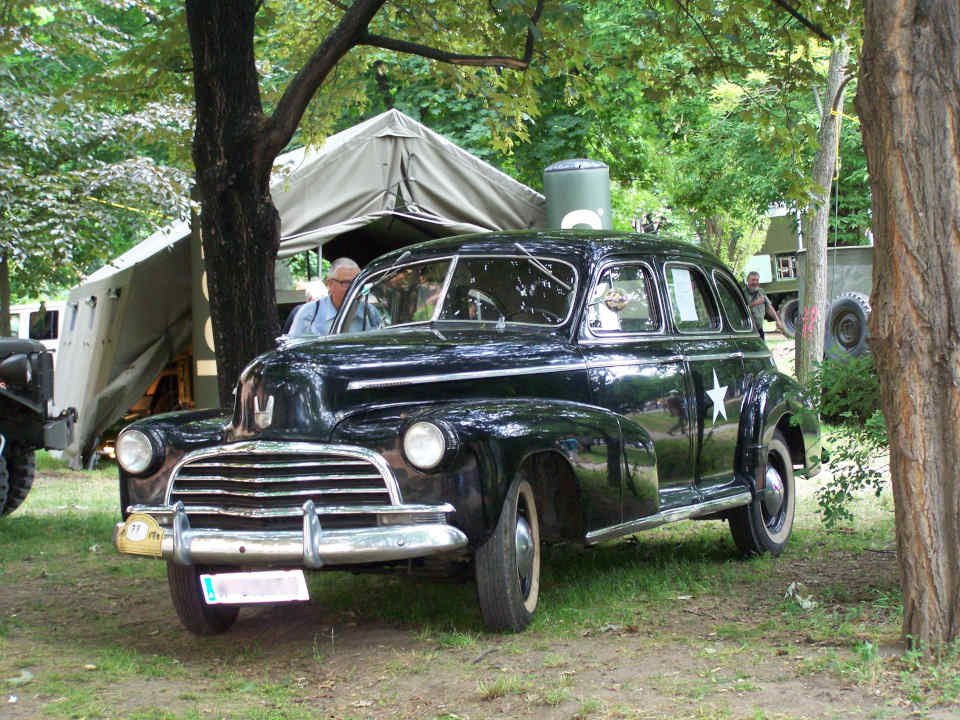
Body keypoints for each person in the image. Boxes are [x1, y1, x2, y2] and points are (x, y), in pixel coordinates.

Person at [287, 257, 379, 336]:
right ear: (330, 284)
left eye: (358, 283)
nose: (354, 289)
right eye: (346, 283)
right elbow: (295, 351)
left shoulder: (370, 312)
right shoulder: (309, 313)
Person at [745, 271, 785, 339]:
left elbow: (769, 308)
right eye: (753, 280)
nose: (755, 282)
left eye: (757, 280)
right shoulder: (743, 292)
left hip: (759, 329)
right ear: (747, 281)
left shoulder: (761, 292)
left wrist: (777, 320)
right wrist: (755, 303)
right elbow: (741, 310)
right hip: (748, 330)